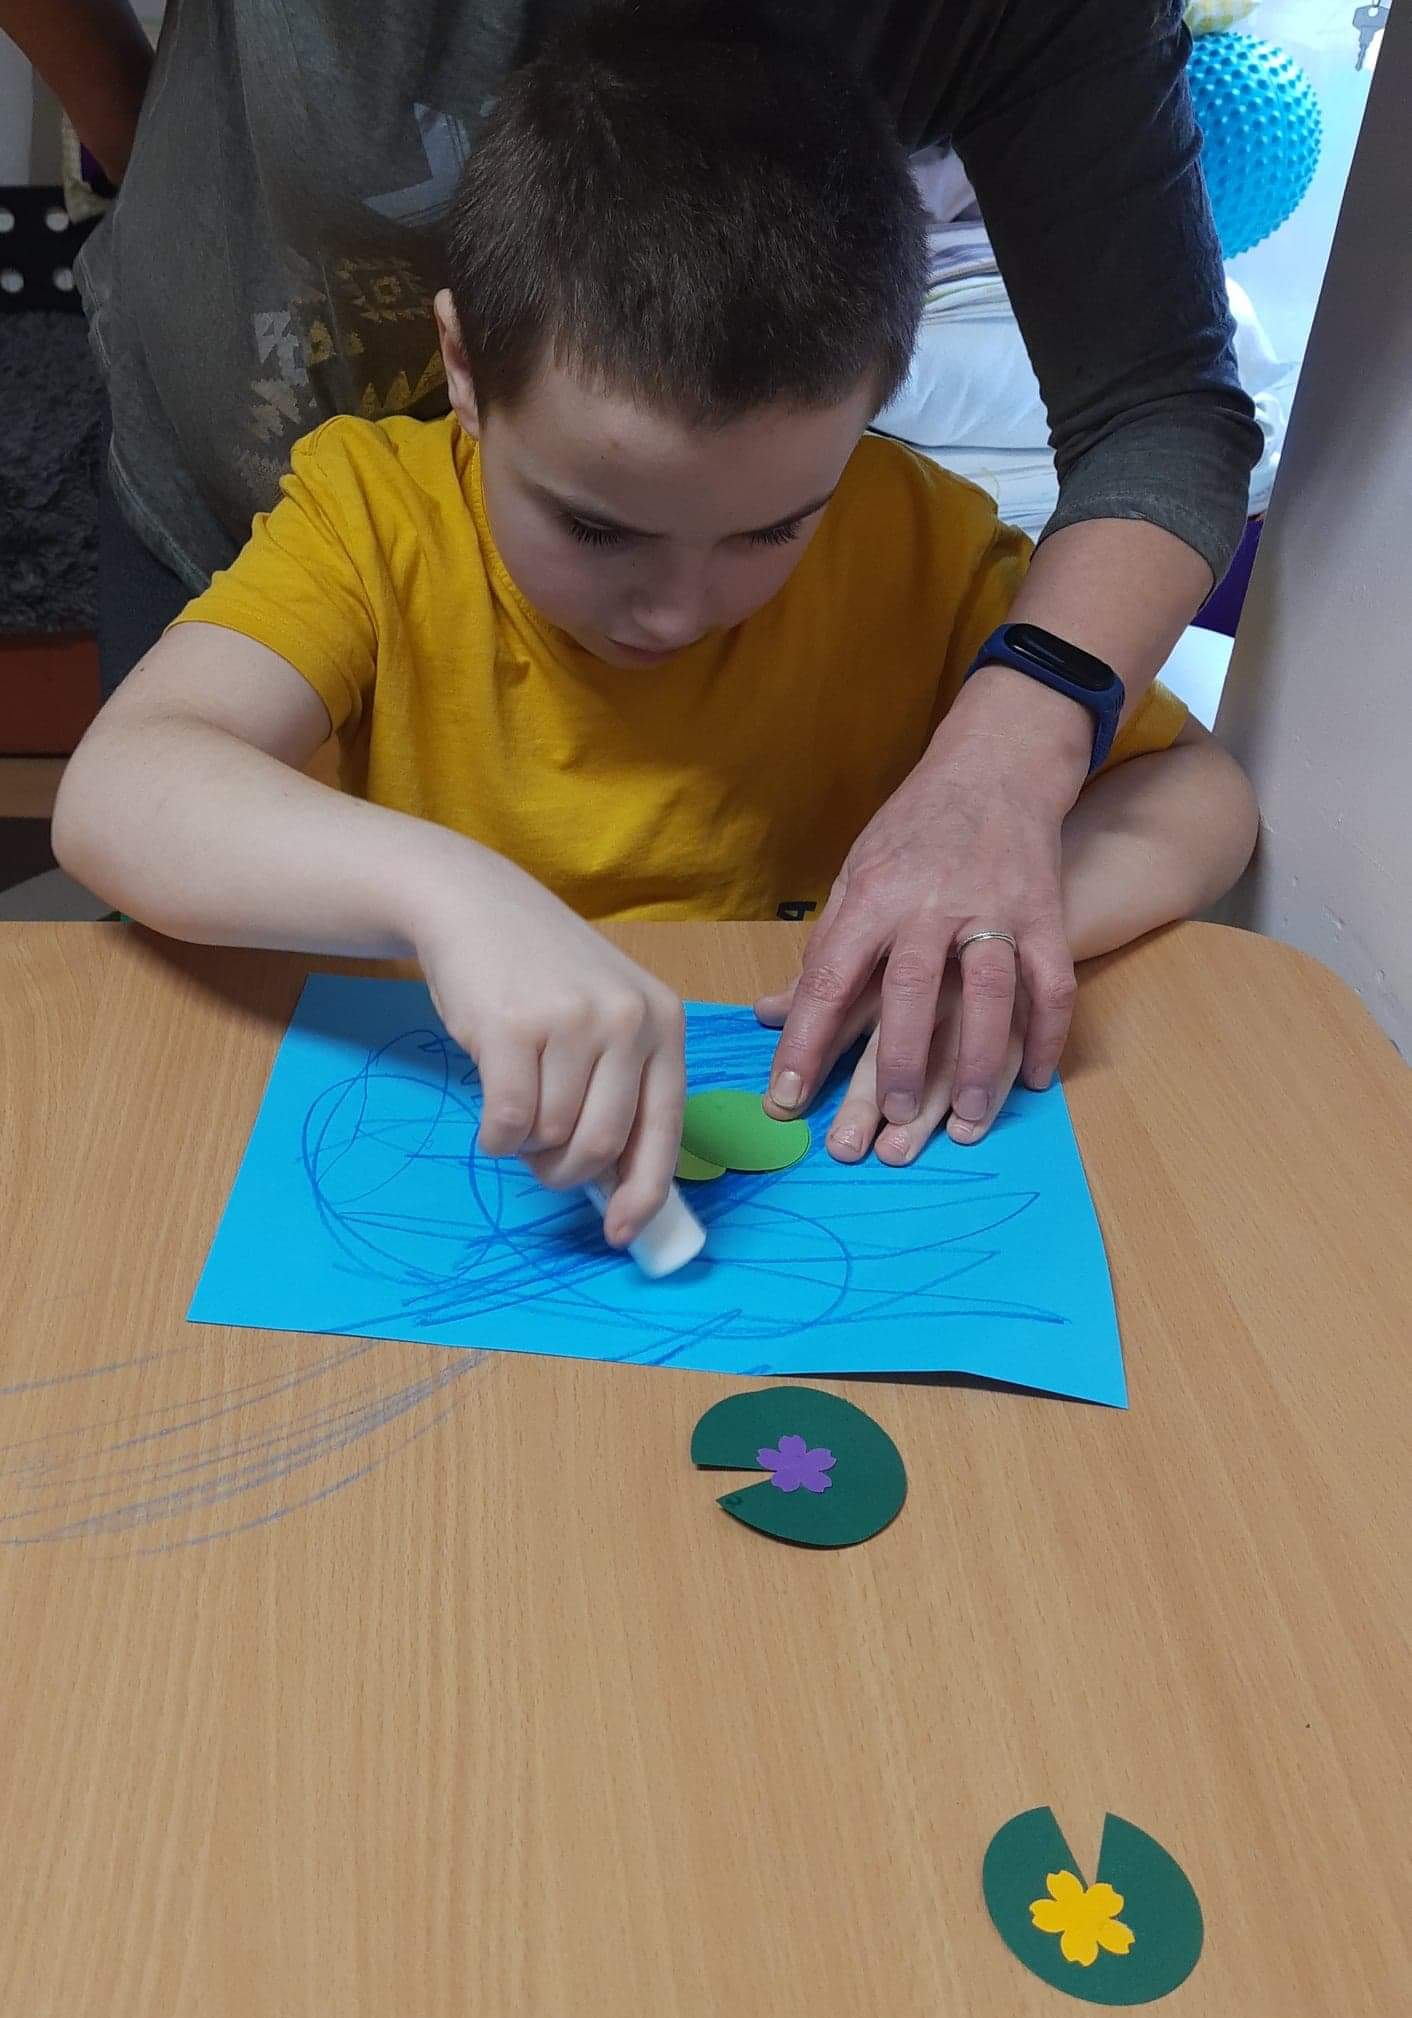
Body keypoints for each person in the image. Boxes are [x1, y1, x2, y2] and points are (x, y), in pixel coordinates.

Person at [54, 6, 1259, 1249]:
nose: (678, 608)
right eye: (595, 527)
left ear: (871, 399)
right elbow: (122, 787)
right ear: (462, 366)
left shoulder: (917, 545)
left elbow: (1198, 798)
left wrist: (980, 932)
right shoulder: (374, 522)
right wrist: (448, 895)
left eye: (769, 529)